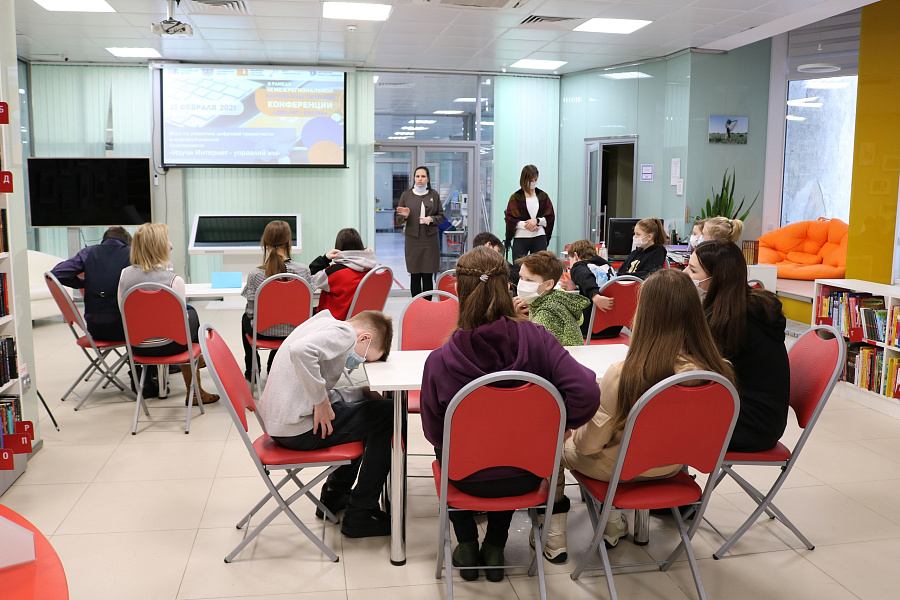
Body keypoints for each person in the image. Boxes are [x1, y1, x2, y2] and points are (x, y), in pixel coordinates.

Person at [419, 246, 600, 582]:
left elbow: (433, 432)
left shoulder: (440, 360)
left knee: (446, 445)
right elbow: (587, 392)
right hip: (528, 473)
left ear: (457, 289)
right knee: (509, 445)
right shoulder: (538, 339)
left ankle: (466, 544)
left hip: (465, 476)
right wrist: (561, 426)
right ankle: (495, 545)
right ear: (508, 287)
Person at [544, 268, 736, 563]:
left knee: (554, 442)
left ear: (644, 313)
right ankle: (612, 522)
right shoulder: (719, 372)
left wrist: (572, 432)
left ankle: (554, 532)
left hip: (619, 470)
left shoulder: (625, 374)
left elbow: (589, 446)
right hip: (672, 467)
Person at [258, 308, 395, 538]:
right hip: (297, 431)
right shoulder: (346, 333)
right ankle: (361, 512)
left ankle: (335, 495)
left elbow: (306, 386)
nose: (359, 363)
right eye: (366, 358)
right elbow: (301, 351)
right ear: (365, 338)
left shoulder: (322, 322)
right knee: (388, 414)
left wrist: (359, 392)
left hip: (280, 423)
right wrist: (320, 401)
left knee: (367, 411)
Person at [686, 240, 790, 452]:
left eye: (693, 270)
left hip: (750, 426)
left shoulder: (730, 322)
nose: (685, 273)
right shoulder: (741, 308)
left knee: (664, 417)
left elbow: (695, 370)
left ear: (716, 279)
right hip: (761, 418)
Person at [117, 223, 219, 405]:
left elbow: (123, 312)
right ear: (159, 246)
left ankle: (199, 368)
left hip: (137, 347)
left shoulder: (124, 275)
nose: (170, 244)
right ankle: (195, 391)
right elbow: (179, 323)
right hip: (171, 346)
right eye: (167, 240)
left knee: (189, 313)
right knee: (191, 315)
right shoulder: (174, 281)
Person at [51, 227, 157, 397]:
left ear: (104, 239)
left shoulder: (88, 252)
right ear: (127, 241)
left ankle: (146, 375)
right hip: (126, 330)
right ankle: (147, 378)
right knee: (152, 323)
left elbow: (57, 273)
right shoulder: (132, 254)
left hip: (96, 328)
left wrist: (84, 283)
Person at [240, 220, 313, 381]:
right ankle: (274, 364)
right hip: (296, 332)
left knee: (245, 318)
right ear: (288, 243)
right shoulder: (303, 271)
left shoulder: (255, 274)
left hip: (263, 333)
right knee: (285, 315)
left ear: (264, 243)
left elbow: (251, 312)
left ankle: (252, 371)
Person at [514, 250, 590, 347]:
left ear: (548, 284)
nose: (522, 283)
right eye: (521, 277)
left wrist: (515, 320)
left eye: (529, 280)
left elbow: (534, 347)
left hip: (564, 355)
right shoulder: (555, 297)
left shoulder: (546, 313)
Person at [395, 166, 445, 297]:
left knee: (428, 275)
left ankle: (427, 305)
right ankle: (416, 304)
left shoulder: (434, 194)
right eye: (417, 176)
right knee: (415, 274)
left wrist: (431, 219)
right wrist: (405, 216)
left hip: (430, 240)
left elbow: (441, 216)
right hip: (413, 240)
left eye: (423, 176)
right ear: (414, 178)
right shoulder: (406, 195)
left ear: (428, 178)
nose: (420, 179)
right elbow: (398, 220)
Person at [309, 228, 376, 320]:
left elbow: (311, 277)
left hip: (333, 319)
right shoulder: (370, 271)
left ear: (338, 247)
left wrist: (325, 258)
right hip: (361, 319)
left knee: (304, 311)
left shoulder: (334, 272)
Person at [504, 165, 555, 261]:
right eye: (531, 180)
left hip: (539, 237)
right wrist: (527, 225)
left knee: (540, 266)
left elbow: (550, 217)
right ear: (524, 180)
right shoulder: (515, 197)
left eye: (536, 180)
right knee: (519, 267)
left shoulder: (543, 196)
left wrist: (537, 221)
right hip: (521, 238)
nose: (534, 183)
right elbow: (509, 219)